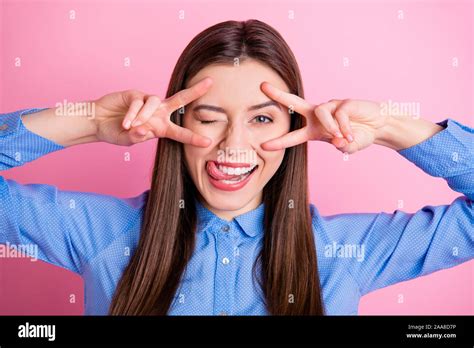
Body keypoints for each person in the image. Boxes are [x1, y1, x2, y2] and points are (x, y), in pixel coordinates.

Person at [0, 20, 472, 315]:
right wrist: (89, 121)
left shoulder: (347, 252)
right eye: (210, 118)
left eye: (262, 119)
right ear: (176, 125)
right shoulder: (101, 235)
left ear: (295, 130)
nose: (234, 145)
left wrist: (389, 126)